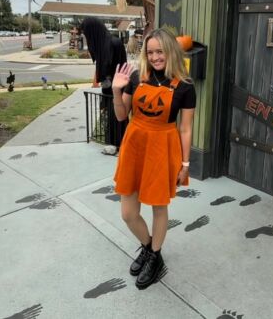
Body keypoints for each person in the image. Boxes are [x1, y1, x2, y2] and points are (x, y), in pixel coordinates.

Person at [111, 28, 196, 289]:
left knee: (159, 207)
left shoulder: (185, 86)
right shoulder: (137, 77)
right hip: (135, 147)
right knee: (128, 213)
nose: (155, 57)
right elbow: (121, 116)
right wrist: (116, 92)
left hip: (162, 149)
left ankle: (154, 255)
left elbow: (185, 129)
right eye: (150, 52)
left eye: (160, 51)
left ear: (170, 51)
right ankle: (150, 250)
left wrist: (185, 164)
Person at [80, 17, 128, 155]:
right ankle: (113, 143)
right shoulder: (101, 44)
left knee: (118, 117)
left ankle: (119, 144)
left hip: (118, 87)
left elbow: (119, 68)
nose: (86, 37)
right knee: (111, 117)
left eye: (87, 33)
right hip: (108, 88)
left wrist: (114, 86)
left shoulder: (113, 43)